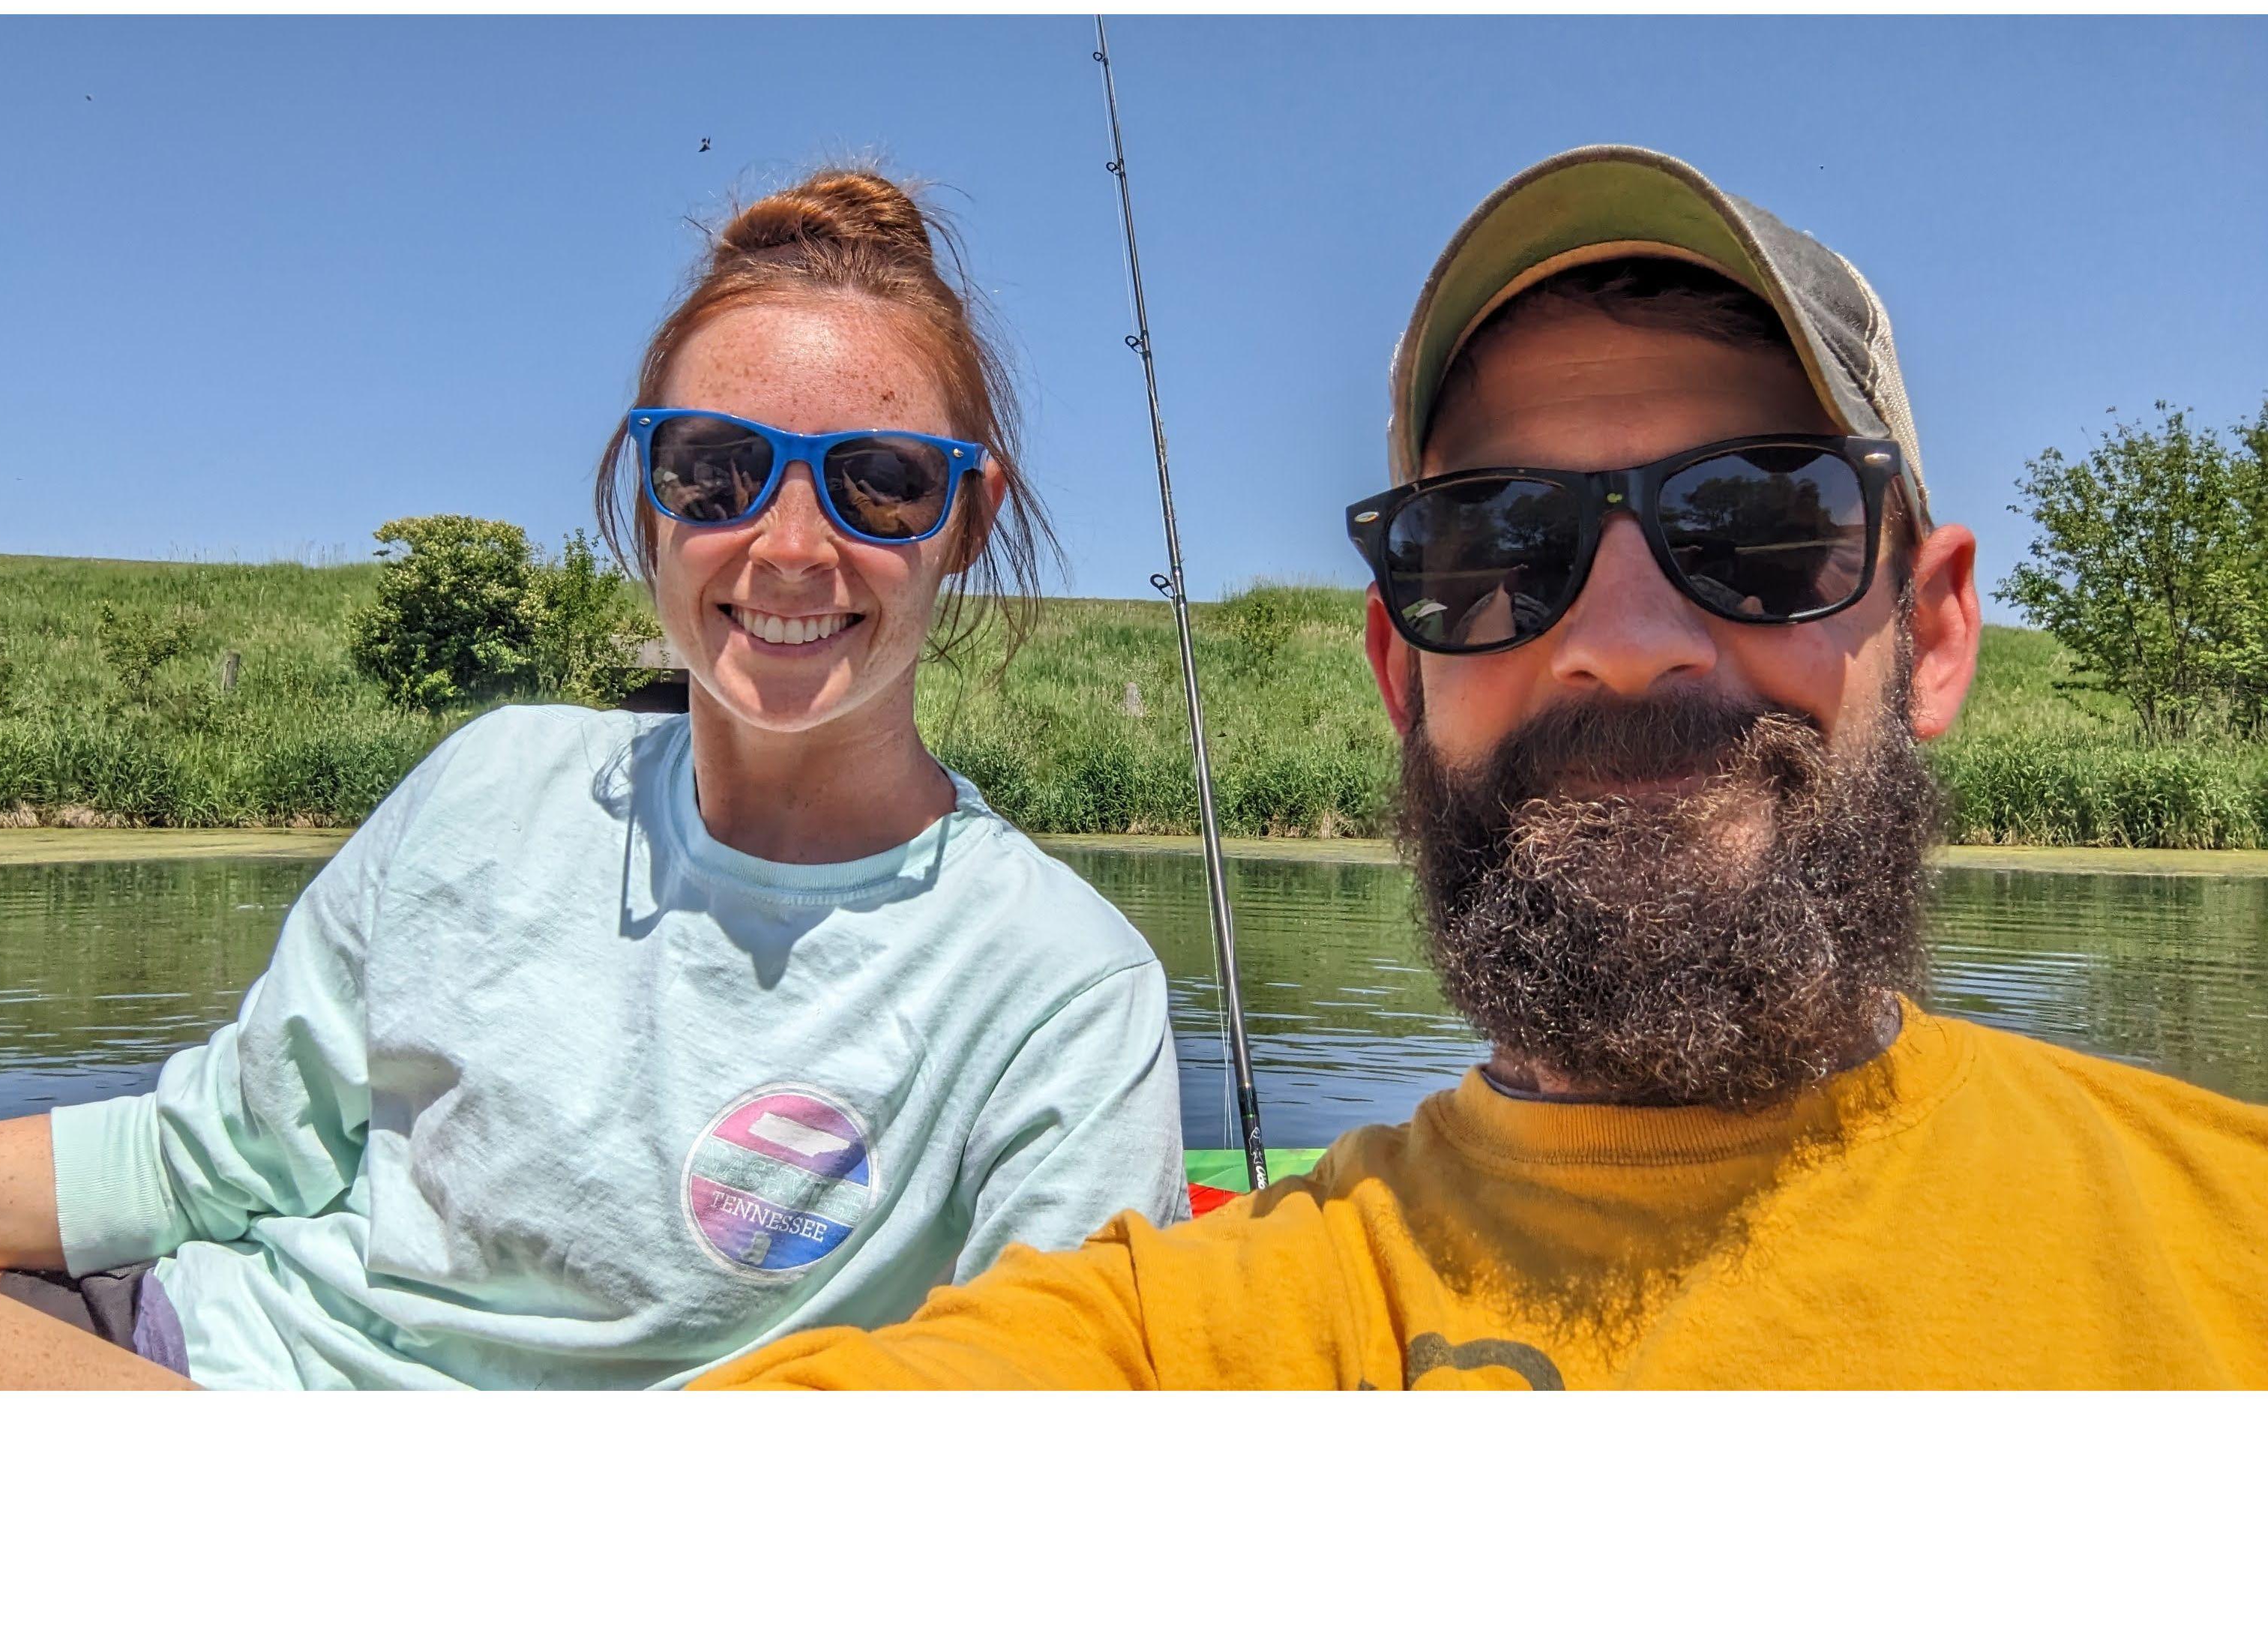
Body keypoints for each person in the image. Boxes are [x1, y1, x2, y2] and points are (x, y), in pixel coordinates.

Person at [693, 142, 2268, 1389]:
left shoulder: (2226, 1230)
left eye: (1763, 523)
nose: (1628, 638)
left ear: (1932, 635)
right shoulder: (1208, 1334)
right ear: (1402, 673)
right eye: (1500, 547)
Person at [0, 169, 1188, 1388]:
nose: (785, 547)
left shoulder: (1061, 993)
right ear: (648, 494)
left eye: (878, 482)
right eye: (714, 471)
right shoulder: (492, 781)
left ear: (970, 516)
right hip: (167, 1336)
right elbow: (206, 1159)